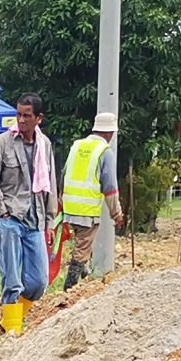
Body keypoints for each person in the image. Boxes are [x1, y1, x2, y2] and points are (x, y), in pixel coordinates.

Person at [0, 94, 54, 333]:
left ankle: (10, 321)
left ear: (38, 119)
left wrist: (50, 222)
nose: (21, 120)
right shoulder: (3, 142)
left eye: (27, 116)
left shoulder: (45, 146)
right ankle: (12, 330)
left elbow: (50, 185)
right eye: (18, 114)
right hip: (11, 218)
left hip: (36, 219)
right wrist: (2, 212)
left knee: (39, 282)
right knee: (12, 280)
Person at [58, 110, 126, 289]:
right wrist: (116, 214)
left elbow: (63, 174)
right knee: (82, 249)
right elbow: (110, 188)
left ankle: (86, 276)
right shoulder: (105, 152)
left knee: (84, 245)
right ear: (110, 133)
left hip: (69, 206)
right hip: (86, 210)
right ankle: (69, 288)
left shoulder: (77, 146)